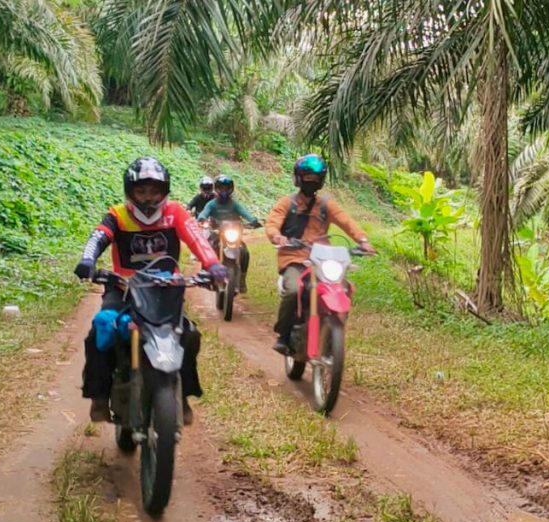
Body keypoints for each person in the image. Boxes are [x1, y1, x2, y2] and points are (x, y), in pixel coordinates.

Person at [74, 157, 228, 424]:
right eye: (141, 190)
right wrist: (88, 260)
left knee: (188, 334)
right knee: (101, 329)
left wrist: (212, 264)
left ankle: (182, 396)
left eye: (154, 191)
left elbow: (197, 239)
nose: (148, 197)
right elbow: (98, 237)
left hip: (166, 289)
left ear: (164, 191)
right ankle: (98, 396)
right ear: (130, 191)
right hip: (123, 287)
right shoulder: (118, 215)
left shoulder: (175, 213)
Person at [264, 154, 375, 354]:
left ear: (321, 180)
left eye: (315, 178)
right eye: (307, 177)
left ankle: (333, 329)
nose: (311, 182)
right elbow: (272, 223)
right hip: (294, 258)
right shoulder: (287, 203)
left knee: (344, 288)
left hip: (323, 259)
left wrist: (362, 240)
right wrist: (277, 236)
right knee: (293, 290)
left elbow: (346, 220)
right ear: (299, 179)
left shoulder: (326, 204)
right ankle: (284, 335)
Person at [196, 174, 260, 294]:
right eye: (221, 188)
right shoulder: (212, 204)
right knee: (209, 246)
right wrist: (202, 218)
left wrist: (253, 220)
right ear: (216, 189)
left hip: (233, 233)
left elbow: (245, 213)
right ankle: (207, 274)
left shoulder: (234, 204)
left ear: (231, 189)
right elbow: (204, 213)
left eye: (226, 188)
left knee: (244, 251)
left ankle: (242, 279)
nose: (224, 191)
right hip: (216, 232)